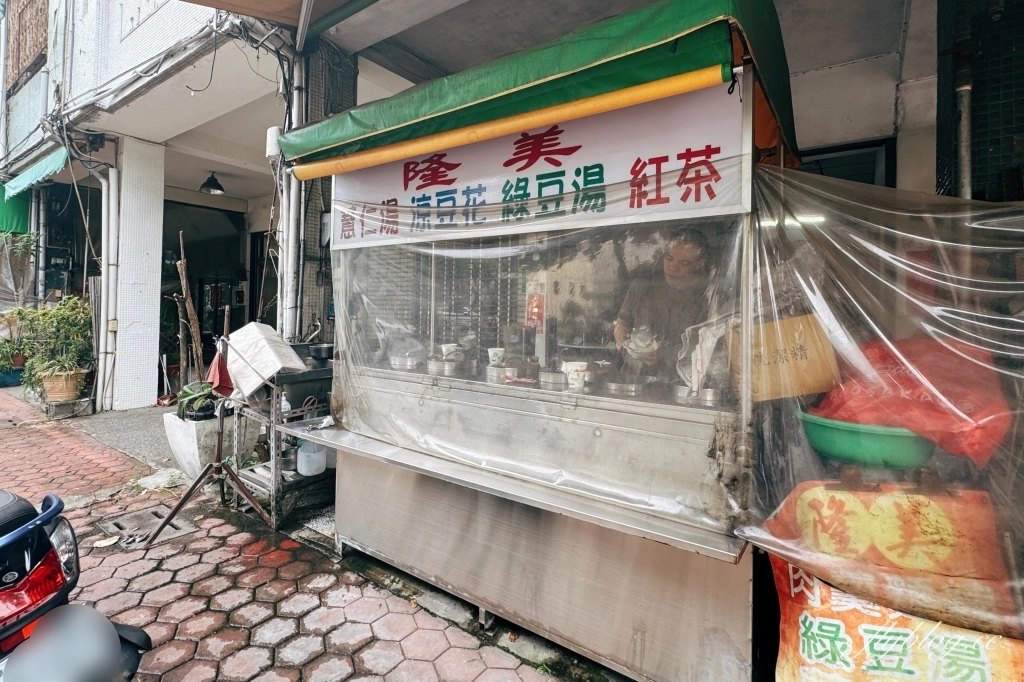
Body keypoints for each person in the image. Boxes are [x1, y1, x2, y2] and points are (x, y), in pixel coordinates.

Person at [613, 227, 710, 377]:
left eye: (683, 262)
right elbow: (622, 321)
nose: (672, 267)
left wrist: (667, 352)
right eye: (669, 258)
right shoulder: (643, 285)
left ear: (699, 263)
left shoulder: (707, 295)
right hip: (634, 377)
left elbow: (709, 346)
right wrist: (622, 338)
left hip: (680, 379)